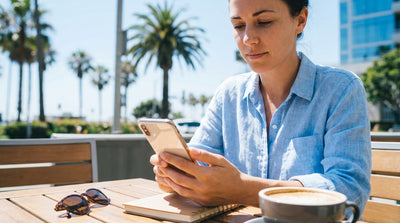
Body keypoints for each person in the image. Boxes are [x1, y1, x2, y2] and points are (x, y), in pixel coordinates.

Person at [150, 0, 371, 216]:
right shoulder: (228, 94)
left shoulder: (341, 90)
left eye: (264, 21)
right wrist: (177, 175)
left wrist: (241, 189)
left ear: (300, 20)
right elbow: (199, 160)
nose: (248, 39)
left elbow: (349, 190)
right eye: (238, 25)